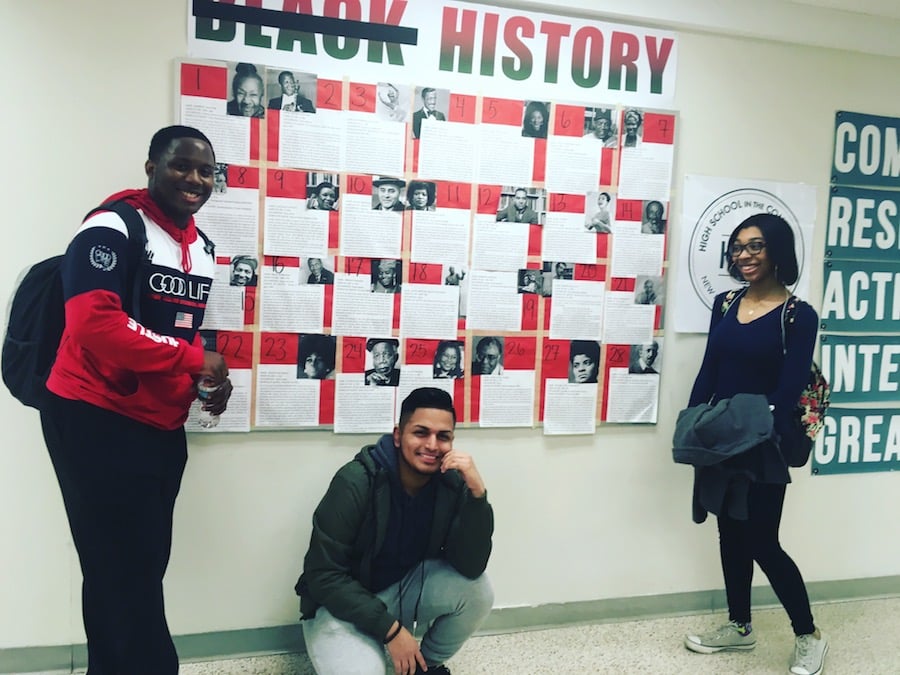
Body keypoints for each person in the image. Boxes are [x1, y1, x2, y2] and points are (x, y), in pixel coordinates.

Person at [40, 125, 233, 674]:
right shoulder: (111, 226)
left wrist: (205, 376)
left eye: (205, 170)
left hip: (158, 424)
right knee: (113, 567)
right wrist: (194, 360)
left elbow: (179, 330)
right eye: (180, 165)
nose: (194, 179)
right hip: (91, 416)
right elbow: (94, 323)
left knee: (144, 566)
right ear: (151, 167)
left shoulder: (203, 247)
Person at [682, 213, 827, 675]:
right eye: (738, 247)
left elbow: (787, 392)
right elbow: (710, 368)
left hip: (762, 442)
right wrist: (693, 422)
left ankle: (809, 636)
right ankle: (740, 627)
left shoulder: (798, 315)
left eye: (756, 246)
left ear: (778, 251)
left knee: (763, 540)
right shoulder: (724, 303)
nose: (744, 255)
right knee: (729, 535)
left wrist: (748, 422)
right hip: (720, 436)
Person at [296, 387, 494, 675]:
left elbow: (471, 566)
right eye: (421, 432)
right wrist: (391, 631)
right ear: (399, 435)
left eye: (443, 436)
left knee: (478, 591)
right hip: (340, 606)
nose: (432, 445)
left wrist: (478, 496)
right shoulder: (356, 481)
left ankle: (423, 666)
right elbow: (322, 575)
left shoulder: (451, 483)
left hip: (400, 591)